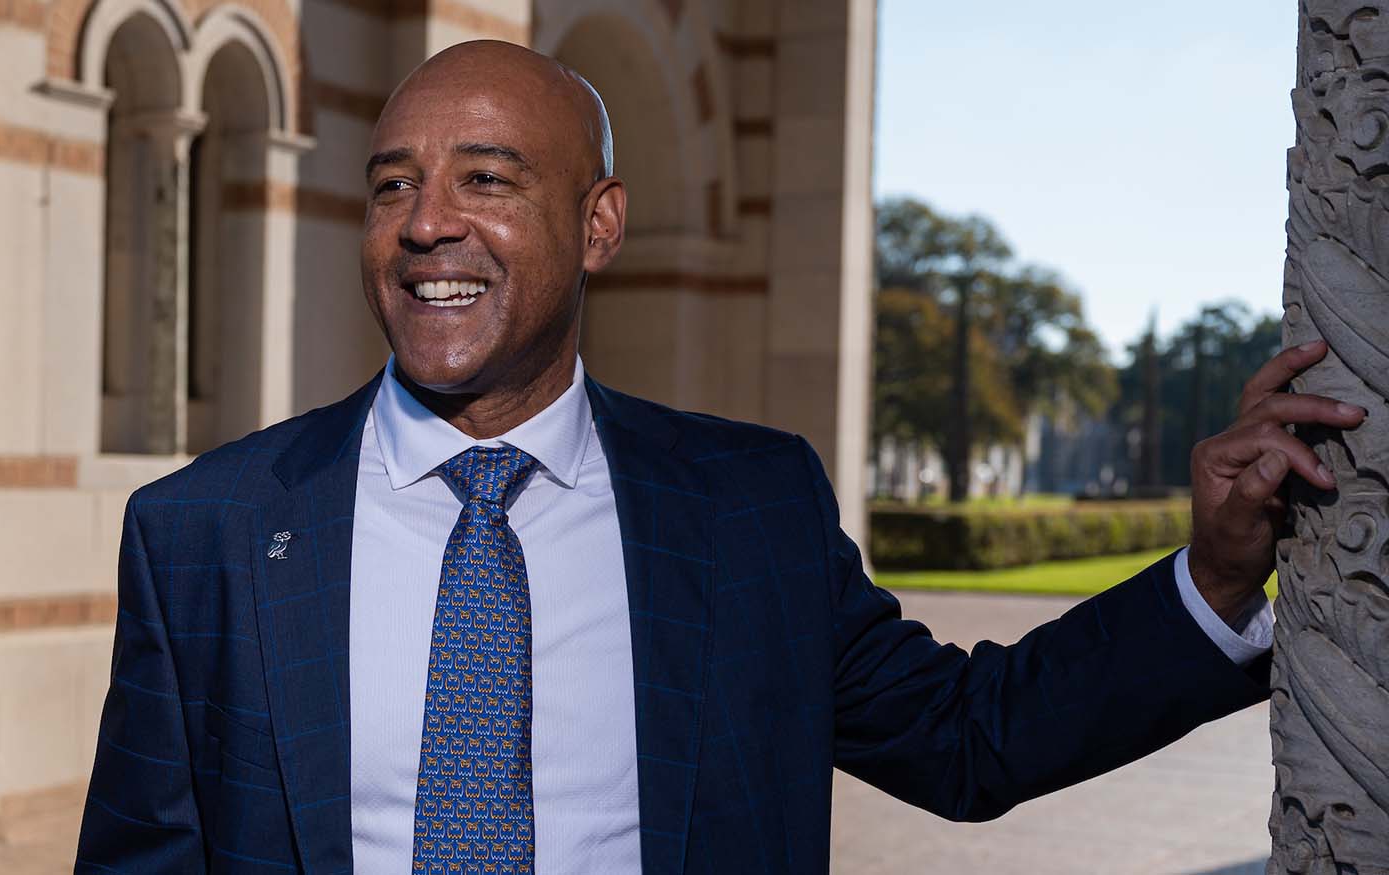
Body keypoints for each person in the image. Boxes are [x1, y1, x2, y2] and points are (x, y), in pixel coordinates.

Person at [74, 41, 1365, 874]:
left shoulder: (748, 511)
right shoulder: (210, 533)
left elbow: (975, 741)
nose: (428, 227)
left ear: (598, 226)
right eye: (393, 184)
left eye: (486, 180)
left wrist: (1211, 574)